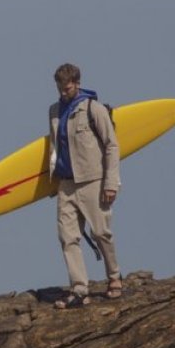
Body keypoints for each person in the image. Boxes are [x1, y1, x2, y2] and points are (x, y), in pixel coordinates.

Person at [48, 63, 123, 309]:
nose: (63, 93)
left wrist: (111, 183)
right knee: (67, 237)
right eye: (60, 89)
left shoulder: (94, 109)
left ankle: (114, 277)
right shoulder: (54, 111)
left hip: (92, 180)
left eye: (67, 88)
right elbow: (55, 147)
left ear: (77, 84)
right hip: (66, 184)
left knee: (101, 233)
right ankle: (80, 289)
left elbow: (112, 145)